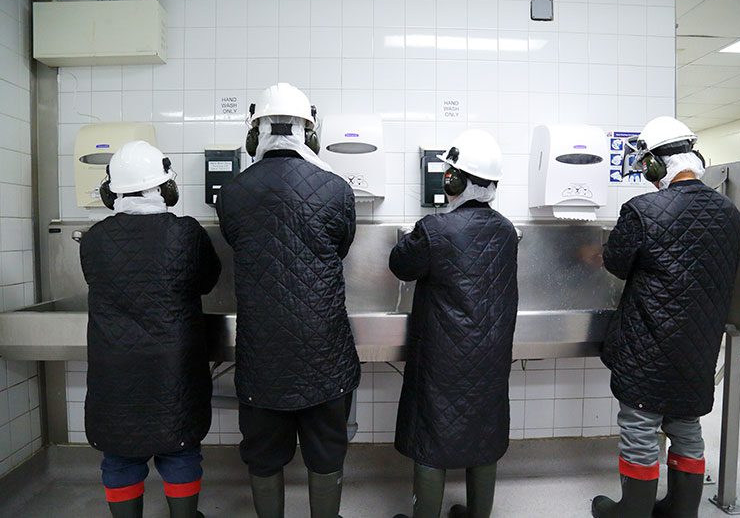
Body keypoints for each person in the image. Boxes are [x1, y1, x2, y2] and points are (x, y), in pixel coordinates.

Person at [216, 83, 358, 518]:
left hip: (263, 356)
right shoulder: (337, 189)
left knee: (263, 454)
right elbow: (342, 246)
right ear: (310, 134)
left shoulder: (233, 193)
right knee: (327, 453)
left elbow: (236, 242)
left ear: (254, 134)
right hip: (326, 354)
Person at [593, 116, 740, 518]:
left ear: (657, 165)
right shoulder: (730, 214)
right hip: (699, 345)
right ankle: (681, 510)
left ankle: (633, 511)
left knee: (641, 428)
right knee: (686, 426)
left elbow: (617, 264)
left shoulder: (643, 209)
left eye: (646, 165)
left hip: (649, 344)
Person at [80, 140, 221, 518]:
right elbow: (209, 279)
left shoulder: (92, 240)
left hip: (114, 369)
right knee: (180, 448)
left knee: (120, 453)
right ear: (166, 188)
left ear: (112, 192)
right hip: (173, 367)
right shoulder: (187, 233)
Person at [389, 129, 519, 518]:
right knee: (485, 428)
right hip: (491, 354)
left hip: (443, 357)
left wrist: (417, 232)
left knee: (434, 432)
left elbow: (400, 264)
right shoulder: (507, 230)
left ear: (455, 180)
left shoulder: (434, 230)